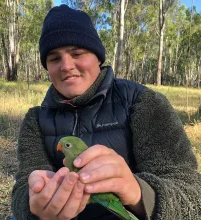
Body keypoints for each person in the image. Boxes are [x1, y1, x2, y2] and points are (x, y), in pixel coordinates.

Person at [11, 4, 201, 220]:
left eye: (77, 53)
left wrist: (139, 192)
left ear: (98, 57)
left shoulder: (143, 103)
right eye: (54, 58)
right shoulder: (35, 120)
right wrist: (32, 205)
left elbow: (193, 197)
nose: (66, 66)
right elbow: (21, 193)